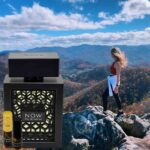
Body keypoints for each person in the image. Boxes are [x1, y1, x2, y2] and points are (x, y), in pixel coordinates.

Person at [102, 47, 128, 117]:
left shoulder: (117, 63)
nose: (111, 55)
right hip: (112, 80)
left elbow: (118, 75)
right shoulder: (116, 62)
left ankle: (105, 111)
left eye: (111, 54)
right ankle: (120, 111)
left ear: (114, 54)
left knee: (105, 95)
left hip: (114, 81)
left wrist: (116, 86)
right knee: (115, 96)